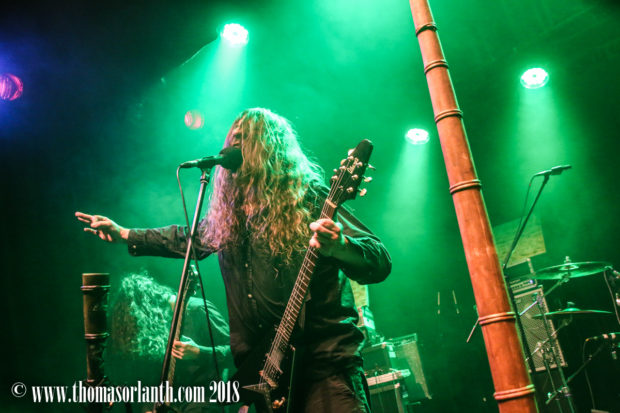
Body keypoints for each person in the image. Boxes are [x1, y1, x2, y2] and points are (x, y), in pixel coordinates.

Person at [76, 107, 391, 412]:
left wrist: (340, 245)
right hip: (269, 375)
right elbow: (186, 238)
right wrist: (125, 233)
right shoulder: (230, 217)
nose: (234, 143)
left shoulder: (307, 197)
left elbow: (379, 259)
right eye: (232, 137)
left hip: (325, 369)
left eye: (245, 137)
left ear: (268, 148)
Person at [107, 272, 233, 413]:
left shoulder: (198, 309)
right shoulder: (159, 325)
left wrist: (199, 352)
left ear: (147, 310)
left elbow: (235, 353)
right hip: (173, 400)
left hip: (205, 397)